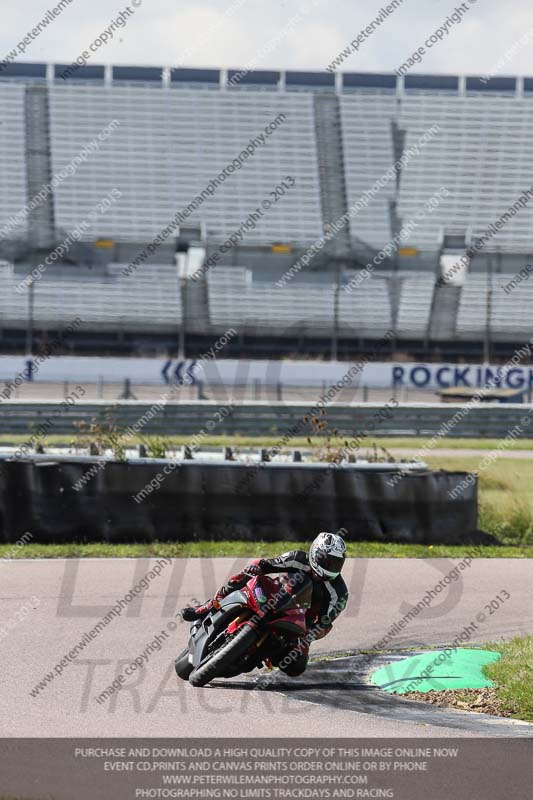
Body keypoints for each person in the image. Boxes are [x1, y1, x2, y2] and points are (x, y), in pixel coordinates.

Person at [181, 531, 348, 676]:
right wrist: (257, 567)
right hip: (273, 596)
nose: (329, 567)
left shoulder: (339, 592)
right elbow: (268, 564)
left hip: (299, 622)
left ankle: (259, 654)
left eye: (335, 563)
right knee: (243, 576)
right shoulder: (298, 558)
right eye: (326, 560)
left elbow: (325, 624)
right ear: (315, 553)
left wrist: (310, 635)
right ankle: (208, 606)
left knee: (295, 667)